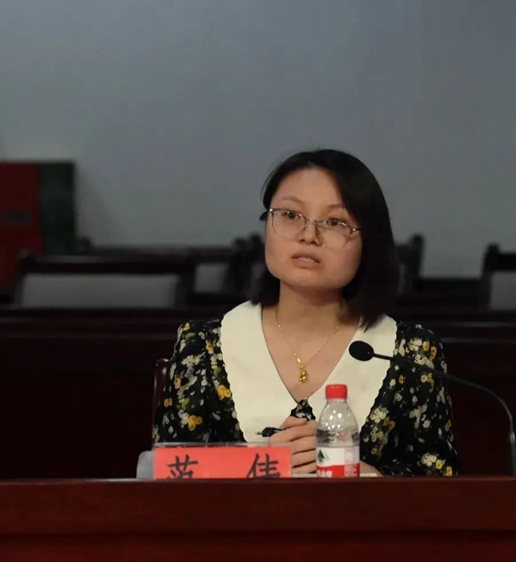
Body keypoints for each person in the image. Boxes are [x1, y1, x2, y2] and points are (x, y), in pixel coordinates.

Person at [153, 149, 460, 476]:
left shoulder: (410, 354)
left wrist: (363, 475)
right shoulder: (202, 347)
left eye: (335, 222)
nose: (308, 235)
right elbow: (167, 479)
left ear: (369, 243)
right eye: (290, 215)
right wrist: (260, 465)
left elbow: (442, 487)